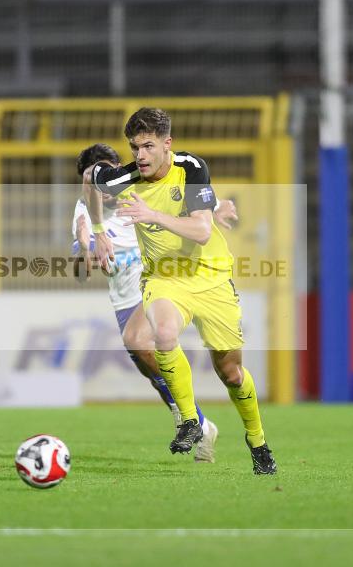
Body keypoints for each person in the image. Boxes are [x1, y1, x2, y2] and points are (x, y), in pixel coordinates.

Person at [87, 108, 277, 475]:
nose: (139, 155)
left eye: (147, 146)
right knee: (163, 333)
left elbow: (202, 231)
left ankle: (257, 441)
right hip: (164, 278)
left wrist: (153, 215)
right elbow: (90, 176)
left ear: (166, 144)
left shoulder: (190, 168)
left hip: (211, 277)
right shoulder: (125, 176)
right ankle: (189, 420)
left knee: (231, 373)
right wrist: (97, 230)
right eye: (134, 147)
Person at [71, 143, 237, 463]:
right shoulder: (83, 213)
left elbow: (181, 208)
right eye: (91, 181)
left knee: (143, 342)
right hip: (124, 300)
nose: (100, 187)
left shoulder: (139, 189)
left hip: (161, 281)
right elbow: (79, 264)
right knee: (153, 371)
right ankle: (201, 424)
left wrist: (213, 212)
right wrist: (86, 256)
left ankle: (195, 417)